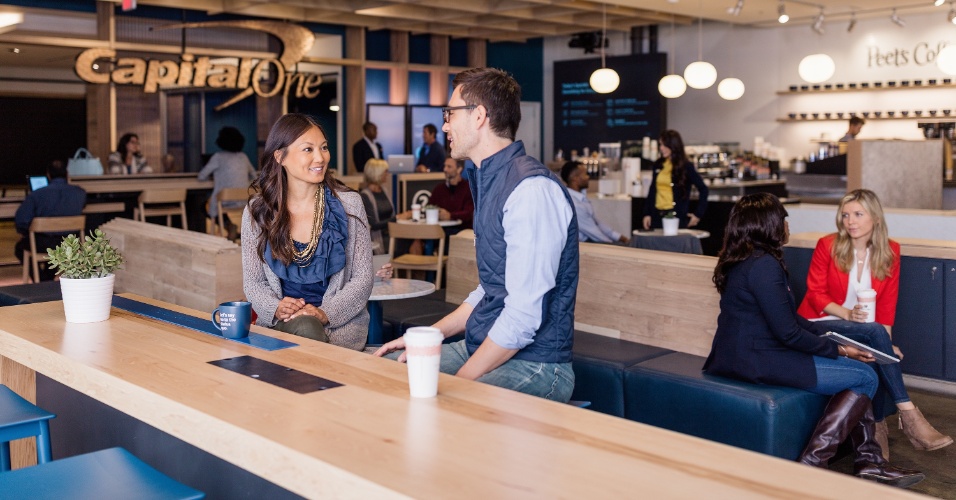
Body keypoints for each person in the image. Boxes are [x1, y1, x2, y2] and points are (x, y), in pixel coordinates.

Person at [375, 67, 579, 402]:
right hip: (485, 344)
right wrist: (430, 334)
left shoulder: (531, 190)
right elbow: (491, 290)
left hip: (539, 365)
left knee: (442, 402)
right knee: (390, 379)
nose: (444, 126)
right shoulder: (488, 179)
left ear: (479, 115)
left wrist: (457, 385)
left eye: (449, 114)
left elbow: (523, 316)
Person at [703, 193, 923, 488]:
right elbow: (788, 334)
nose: (787, 225)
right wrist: (841, 349)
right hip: (757, 360)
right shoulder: (765, 265)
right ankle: (812, 465)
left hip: (743, 355)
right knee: (865, 377)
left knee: (861, 372)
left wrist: (833, 339)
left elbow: (790, 321)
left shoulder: (743, 259)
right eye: (784, 219)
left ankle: (870, 463)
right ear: (771, 224)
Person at [797, 189, 952, 458]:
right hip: (820, 323)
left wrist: (887, 344)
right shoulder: (828, 245)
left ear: (875, 218)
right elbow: (815, 293)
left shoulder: (890, 250)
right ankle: (908, 415)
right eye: (845, 215)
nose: (850, 221)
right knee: (874, 337)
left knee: (877, 349)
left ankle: (878, 427)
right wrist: (847, 314)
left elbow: (887, 303)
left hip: (863, 332)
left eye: (858, 214)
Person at [242, 113, 373, 350]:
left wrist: (324, 313)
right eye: (308, 149)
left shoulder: (350, 205)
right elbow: (253, 282)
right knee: (303, 327)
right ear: (280, 156)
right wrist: (276, 308)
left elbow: (362, 279)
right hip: (279, 326)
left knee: (307, 327)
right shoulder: (257, 211)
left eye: (324, 148)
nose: (320, 157)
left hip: (337, 330)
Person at [15, 161, 87, 281]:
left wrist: (27, 232)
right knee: (57, 251)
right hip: (71, 243)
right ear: (67, 174)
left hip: (44, 243)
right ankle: (46, 279)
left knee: (21, 247)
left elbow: (21, 221)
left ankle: (42, 281)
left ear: (48, 175)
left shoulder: (37, 195)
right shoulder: (80, 193)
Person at [642, 130, 708, 231]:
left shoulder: (686, 166)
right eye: (660, 144)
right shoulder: (658, 164)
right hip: (656, 217)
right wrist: (647, 213)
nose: (661, 148)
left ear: (673, 145)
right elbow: (652, 190)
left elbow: (703, 189)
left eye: (664, 145)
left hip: (676, 218)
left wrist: (698, 214)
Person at [198, 126, 256, 241]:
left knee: (204, 207)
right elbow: (254, 176)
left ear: (221, 141)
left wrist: (215, 176)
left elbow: (201, 176)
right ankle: (231, 227)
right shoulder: (243, 157)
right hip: (243, 200)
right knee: (215, 204)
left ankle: (228, 226)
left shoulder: (218, 157)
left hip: (224, 201)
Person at [561, 161, 628, 244]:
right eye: (585, 174)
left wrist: (620, 237)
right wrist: (614, 245)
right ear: (575, 178)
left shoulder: (581, 198)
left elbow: (597, 223)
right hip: (588, 245)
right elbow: (596, 234)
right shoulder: (574, 204)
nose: (588, 177)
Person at [398, 157, 474, 231]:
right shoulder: (439, 189)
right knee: (417, 235)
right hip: (438, 229)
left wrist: (450, 215)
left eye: (449, 167)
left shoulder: (468, 188)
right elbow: (429, 207)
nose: (445, 169)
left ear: (459, 169)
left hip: (460, 230)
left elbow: (469, 213)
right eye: (444, 166)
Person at [359, 158, 394, 255]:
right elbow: (374, 225)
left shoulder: (384, 190)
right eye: (385, 172)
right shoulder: (365, 196)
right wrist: (397, 218)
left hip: (390, 234)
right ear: (377, 173)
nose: (387, 174)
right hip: (378, 237)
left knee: (415, 240)